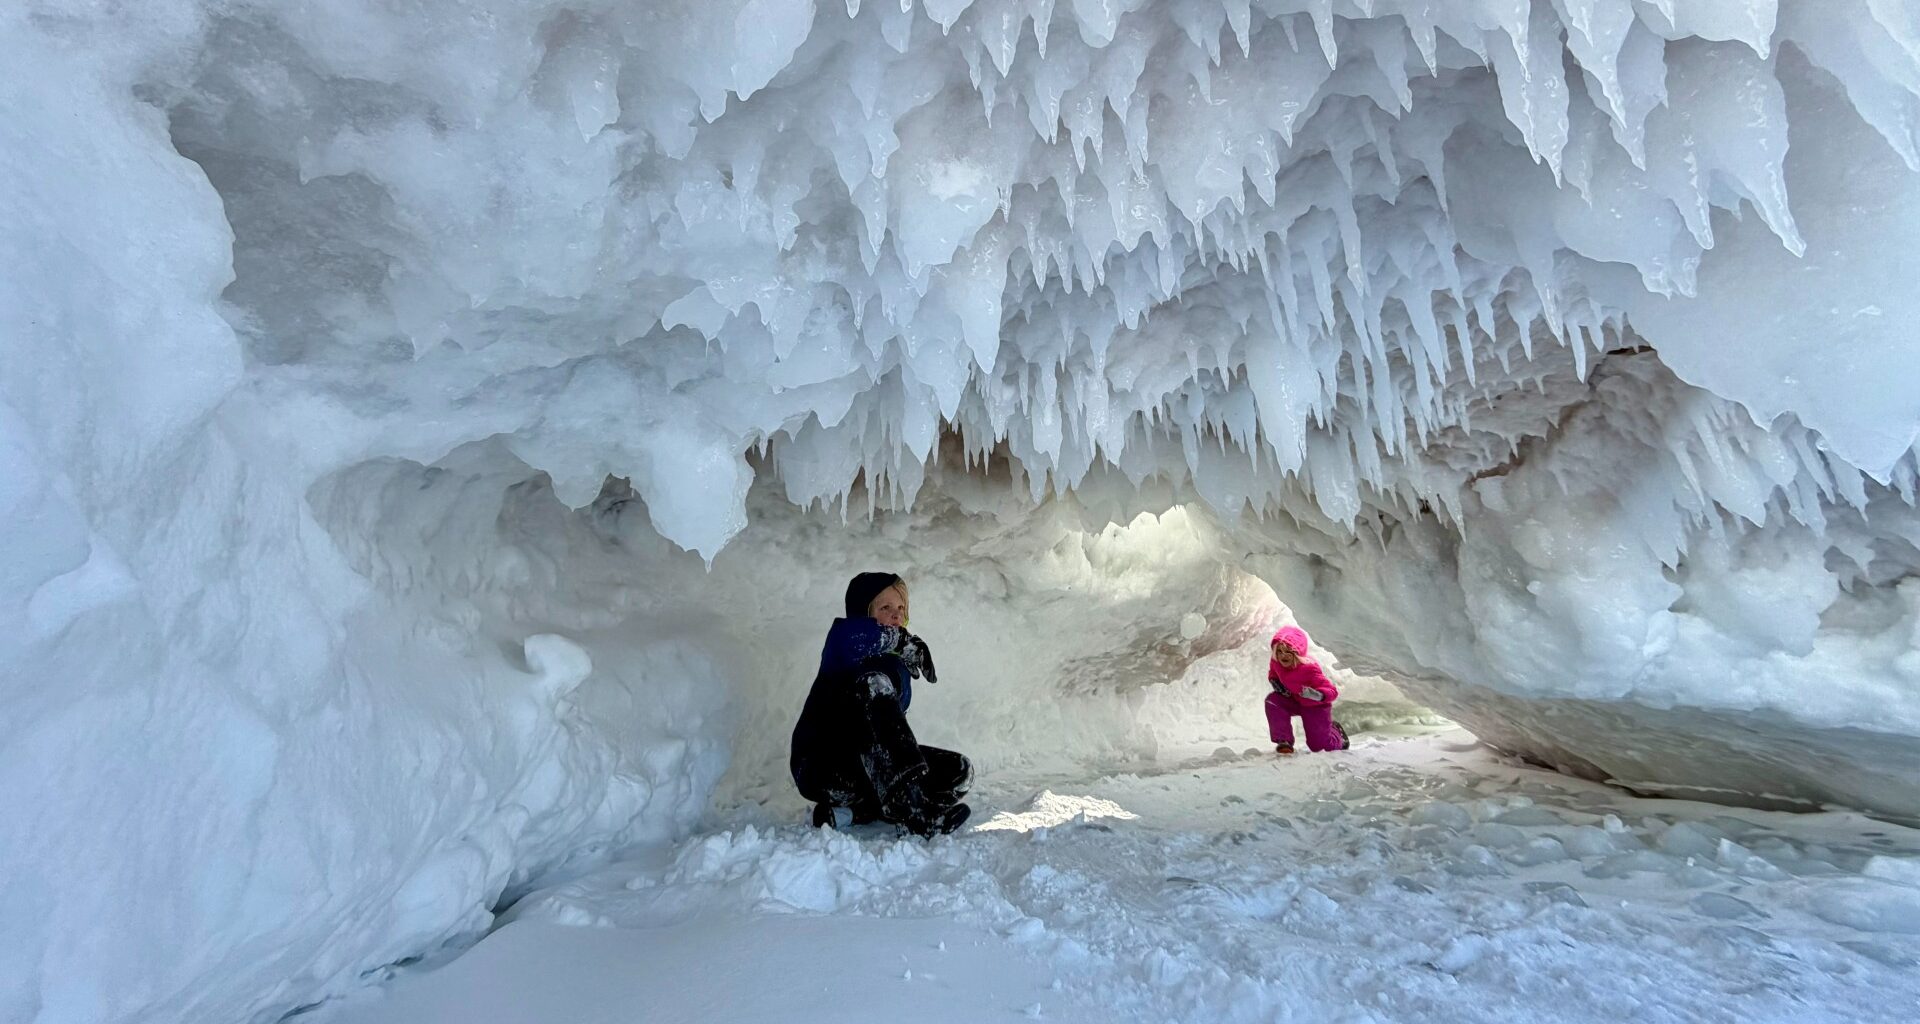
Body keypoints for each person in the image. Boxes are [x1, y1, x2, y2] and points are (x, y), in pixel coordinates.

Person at [790, 572, 972, 836]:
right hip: (822, 765)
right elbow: (855, 639)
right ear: (862, 612)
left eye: (901, 608)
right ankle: (914, 813)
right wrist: (902, 641)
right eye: (885, 608)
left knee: (959, 771)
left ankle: (855, 813)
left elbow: (887, 740)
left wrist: (901, 648)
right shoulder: (843, 640)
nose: (896, 615)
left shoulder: (894, 665)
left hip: (864, 768)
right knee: (874, 682)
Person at [1264, 626, 1350, 755]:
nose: (1283, 655)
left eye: (1288, 651)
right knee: (1273, 701)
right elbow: (1273, 672)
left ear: (1297, 652)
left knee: (1319, 747)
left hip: (1314, 706)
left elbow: (1332, 691)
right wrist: (1275, 682)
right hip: (1294, 699)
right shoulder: (1277, 662)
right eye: (1279, 651)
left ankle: (1337, 734)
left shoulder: (1309, 669)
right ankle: (1284, 741)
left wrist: (1317, 695)